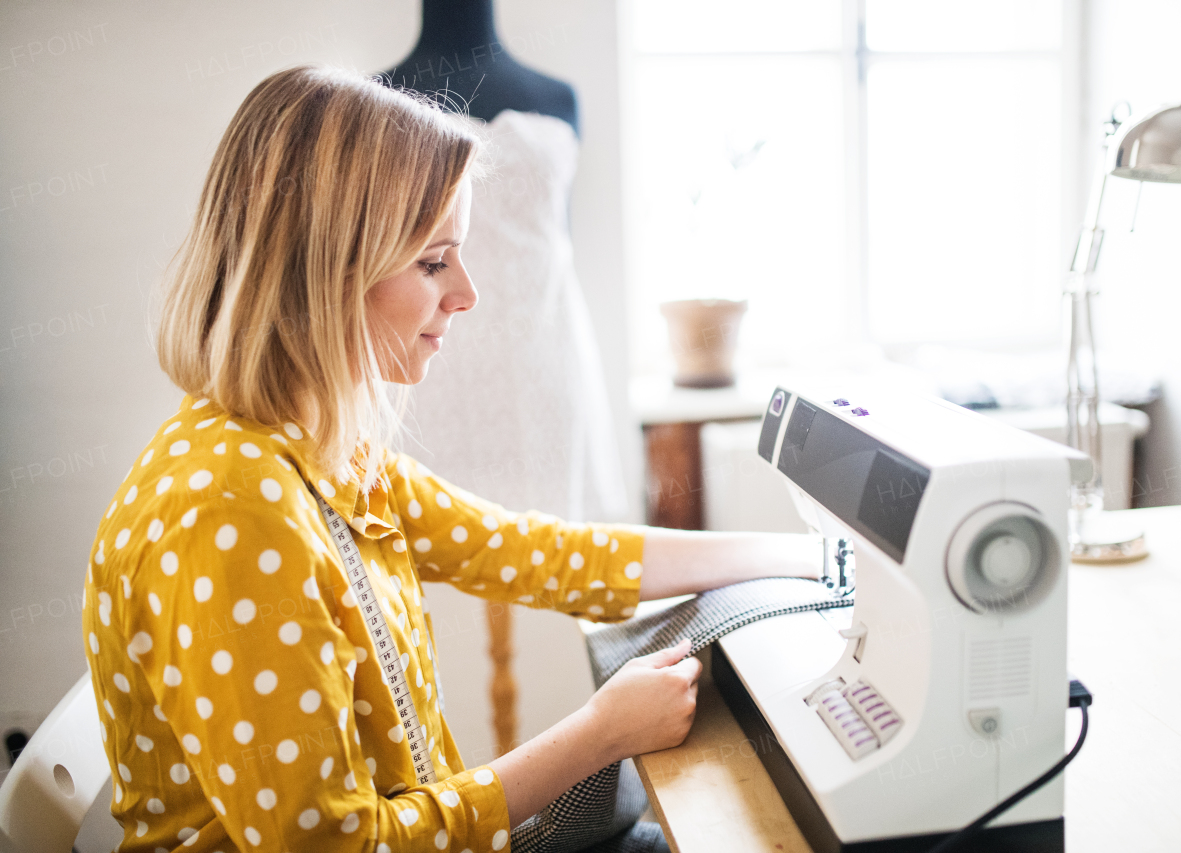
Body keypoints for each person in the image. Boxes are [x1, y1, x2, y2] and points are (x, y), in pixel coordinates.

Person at [82, 64, 819, 852]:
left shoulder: (318, 454)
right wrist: (599, 734)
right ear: (324, 271)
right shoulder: (232, 508)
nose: (466, 292)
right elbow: (337, 847)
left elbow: (534, 552)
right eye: (434, 262)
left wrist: (799, 554)